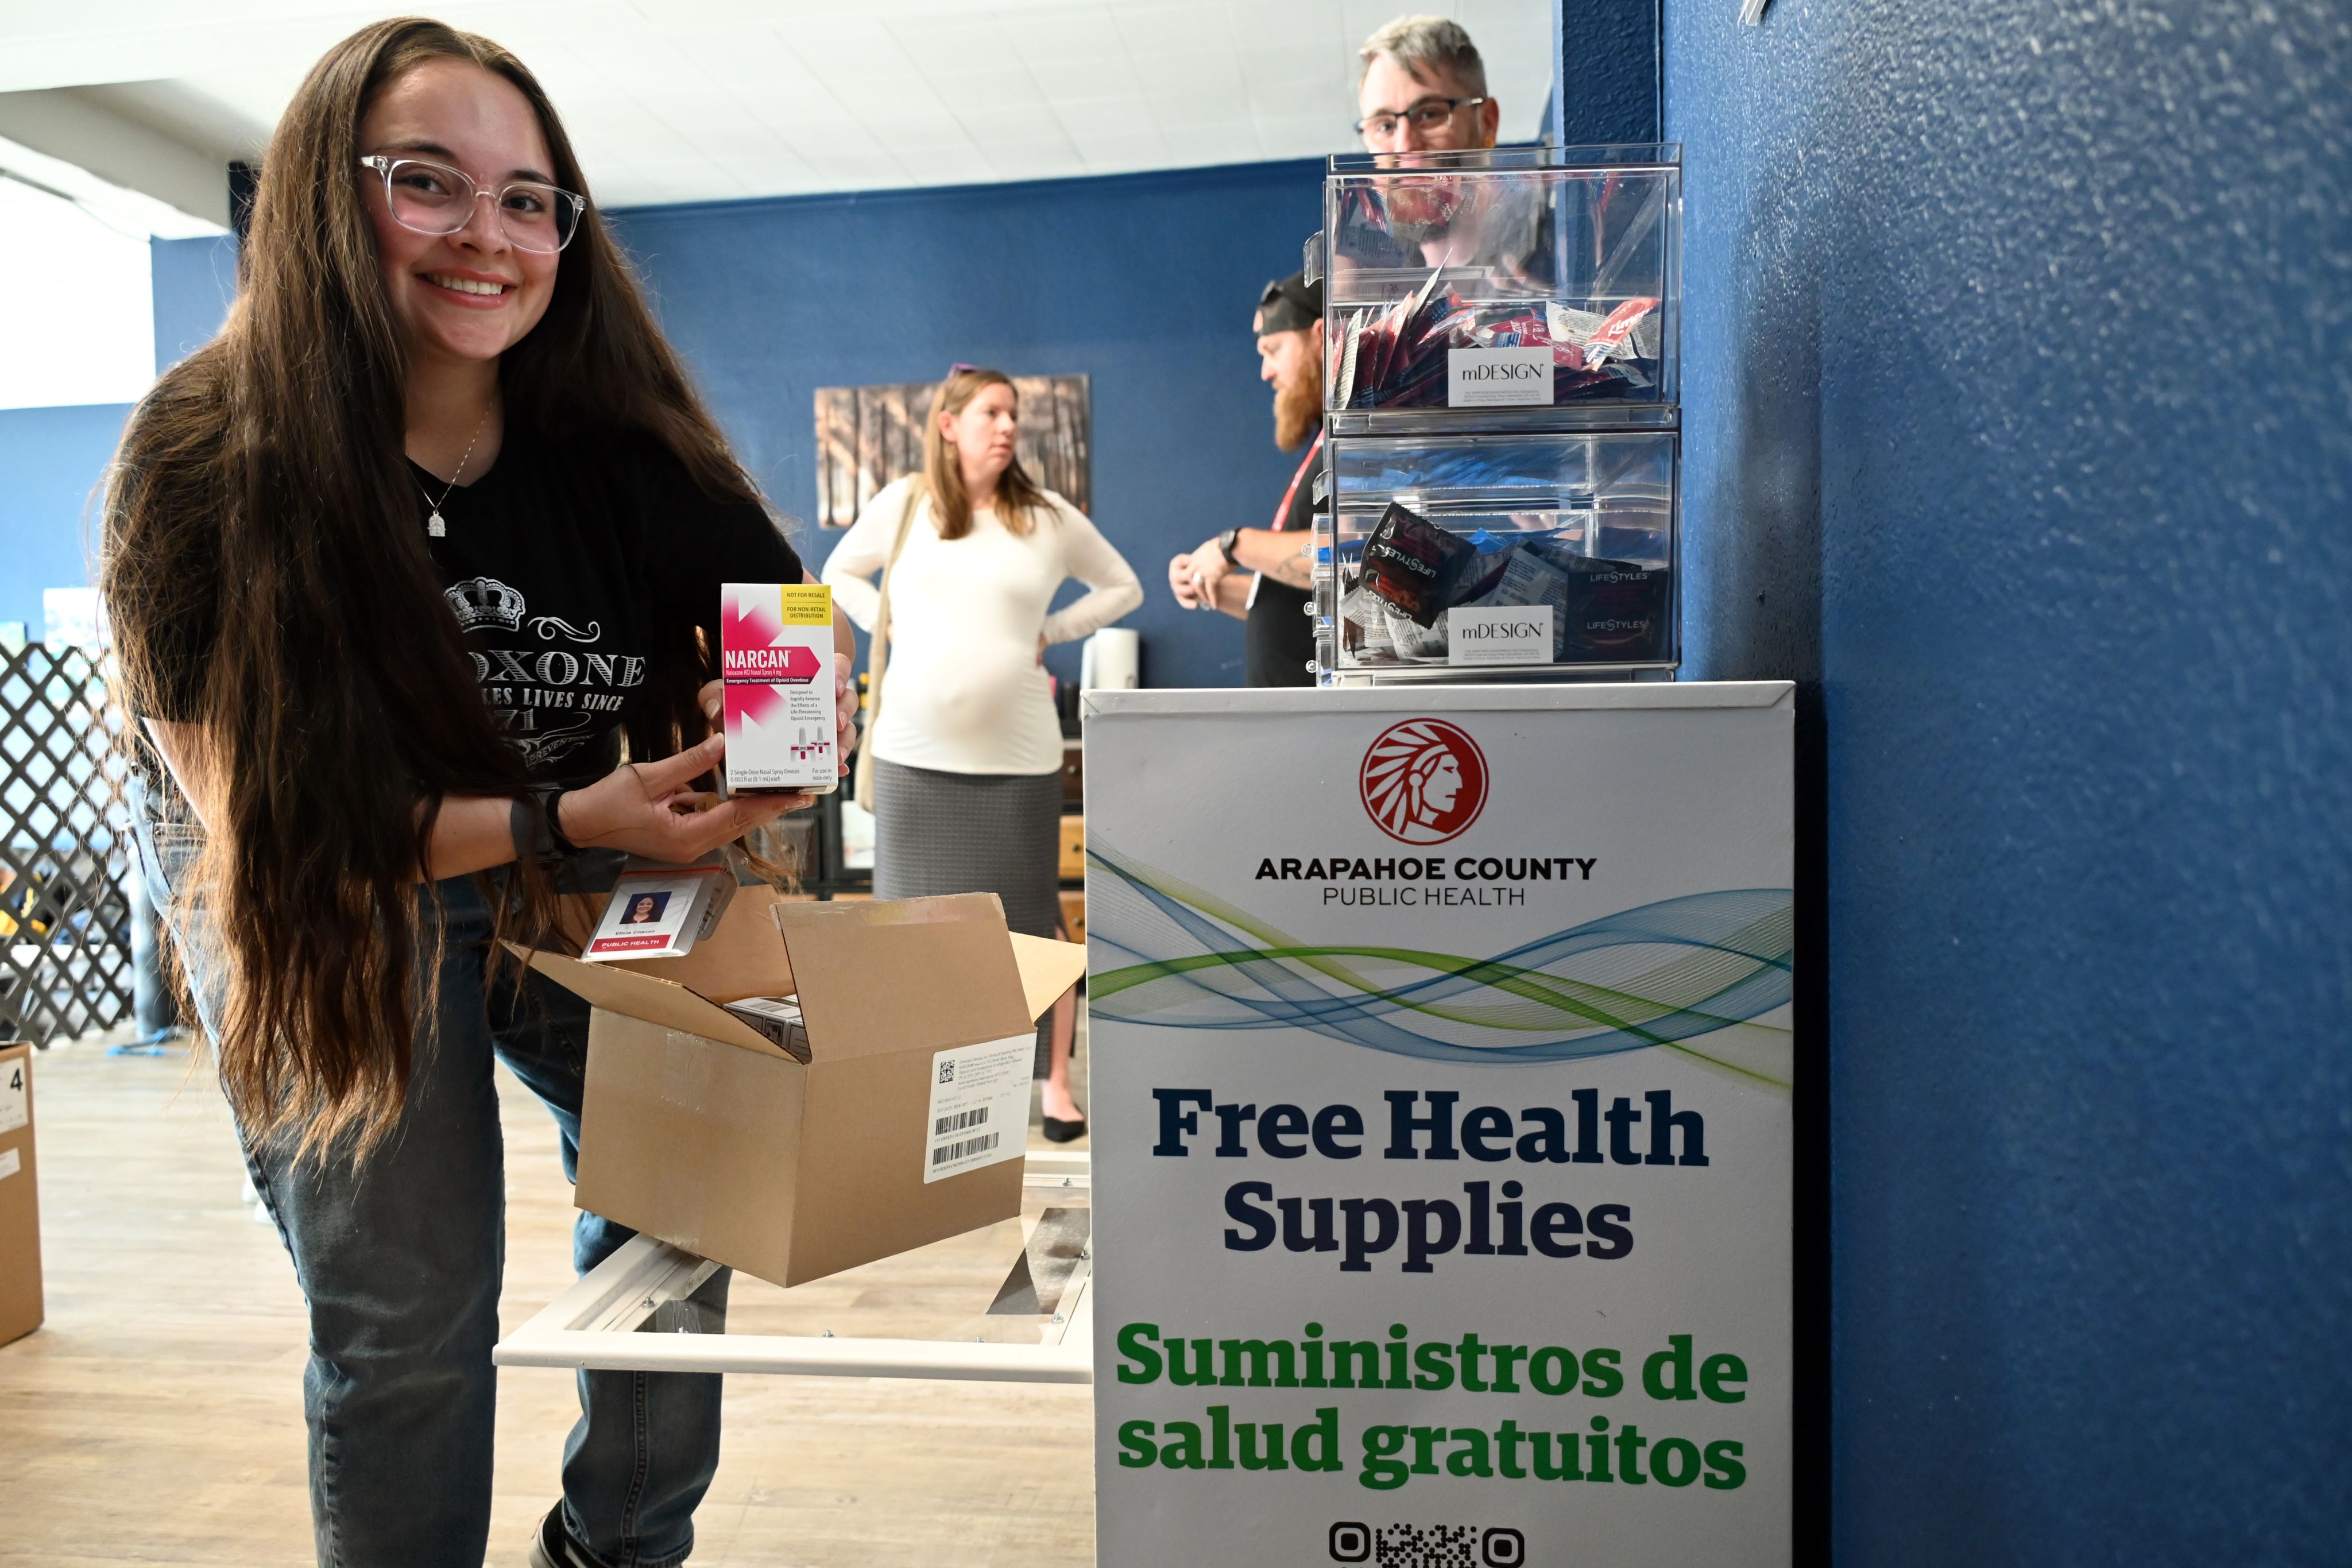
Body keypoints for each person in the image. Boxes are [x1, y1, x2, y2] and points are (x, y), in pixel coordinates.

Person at [99, 20, 856, 1568]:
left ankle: (615, 1548)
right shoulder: (204, 456)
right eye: (428, 183)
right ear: (329, 196)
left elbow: (790, 629)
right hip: (320, 886)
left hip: (579, 851)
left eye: (528, 199)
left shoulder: (617, 450)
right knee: (410, 1320)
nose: (488, 236)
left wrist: (781, 741)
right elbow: (279, 836)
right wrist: (567, 819)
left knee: (688, 1198)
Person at [823, 368, 1141, 1140]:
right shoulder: (905, 503)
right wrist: (885, 620)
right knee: (909, 930)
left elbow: (1122, 587)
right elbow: (838, 573)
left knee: (1030, 927)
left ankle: (1055, 1085)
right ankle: (913, 1078)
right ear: (949, 424)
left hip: (1017, 763)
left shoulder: (1047, 515)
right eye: (991, 412)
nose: (1007, 426)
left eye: (1014, 415)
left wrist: (1052, 632)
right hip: (912, 758)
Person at [1166, 272, 1324, 686]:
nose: (1266, 372)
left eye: (1274, 350)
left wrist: (1234, 545)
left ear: (1321, 338)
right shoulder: (1324, 442)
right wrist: (1210, 584)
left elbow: (1351, 557)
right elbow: (1298, 593)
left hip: (1321, 713)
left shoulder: (1351, 445)